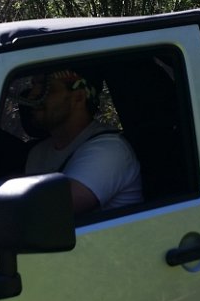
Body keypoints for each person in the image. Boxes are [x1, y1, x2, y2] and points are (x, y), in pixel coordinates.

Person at [21, 69, 142, 214]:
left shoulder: (109, 150)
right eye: (33, 86)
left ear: (78, 98)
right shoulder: (38, 152)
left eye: (47, 89)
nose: (32, 95)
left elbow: (53, 209)